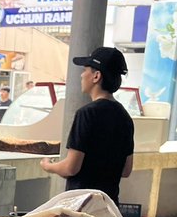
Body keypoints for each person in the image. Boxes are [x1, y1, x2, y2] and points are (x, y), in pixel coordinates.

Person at [40, 46, 134, 203]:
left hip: (81, 206)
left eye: (85, 70)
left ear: (96, 76)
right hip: (108, 205)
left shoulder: (87, 113)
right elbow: (126, 170)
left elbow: (71, 167)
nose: (82, 75)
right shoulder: (125, 117)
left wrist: (48, 166)